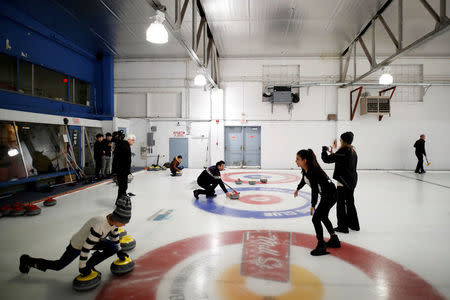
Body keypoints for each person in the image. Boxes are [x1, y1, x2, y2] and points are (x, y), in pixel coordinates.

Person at [19, 196, 132, 276]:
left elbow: (115, 236)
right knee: (58, 266)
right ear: (117, 218)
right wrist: (82, 267)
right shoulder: (100, 225)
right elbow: (86, 247)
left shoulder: (113, 221)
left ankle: (90, 265)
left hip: (94, 241)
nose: (124, 225)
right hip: (78, 245)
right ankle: (27, 260)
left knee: (112, 247)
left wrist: (119, 251)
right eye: (123, 222)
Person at [295, 149, 340, 256]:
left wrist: (313, 205)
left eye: (298, 159)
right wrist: (298, 189)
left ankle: (321, 246)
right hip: (328, 194)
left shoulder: (312, 171)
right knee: (323, 217)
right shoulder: (306, 170)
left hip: (330, 195)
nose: (295, 161)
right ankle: (334, 240)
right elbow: (304, 180)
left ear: (304, 160)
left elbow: (314, 189)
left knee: (316, 218)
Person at [321, 132, 359, 233]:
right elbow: (340, 158)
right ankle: (354, 225)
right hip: (351, 181)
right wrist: (331, 152)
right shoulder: (352, 151)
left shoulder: (344, 150)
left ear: (344, 140)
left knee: (341, 204)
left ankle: (342, 226)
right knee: (350, 203)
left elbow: (327, 160)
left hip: (343, 182)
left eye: (341, 139)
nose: (340, 141)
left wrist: (324, 151)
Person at [114, 134, 135, 199]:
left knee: (122, 185)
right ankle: (120, 200)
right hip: (122, 169)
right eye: (133, 140)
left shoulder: (122, 144)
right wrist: (127, 171)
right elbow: (126, 160)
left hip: (120, 169)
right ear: (128, 139)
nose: (133, 142)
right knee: (123, 185)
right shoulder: (125, 146)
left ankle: (122, 198)